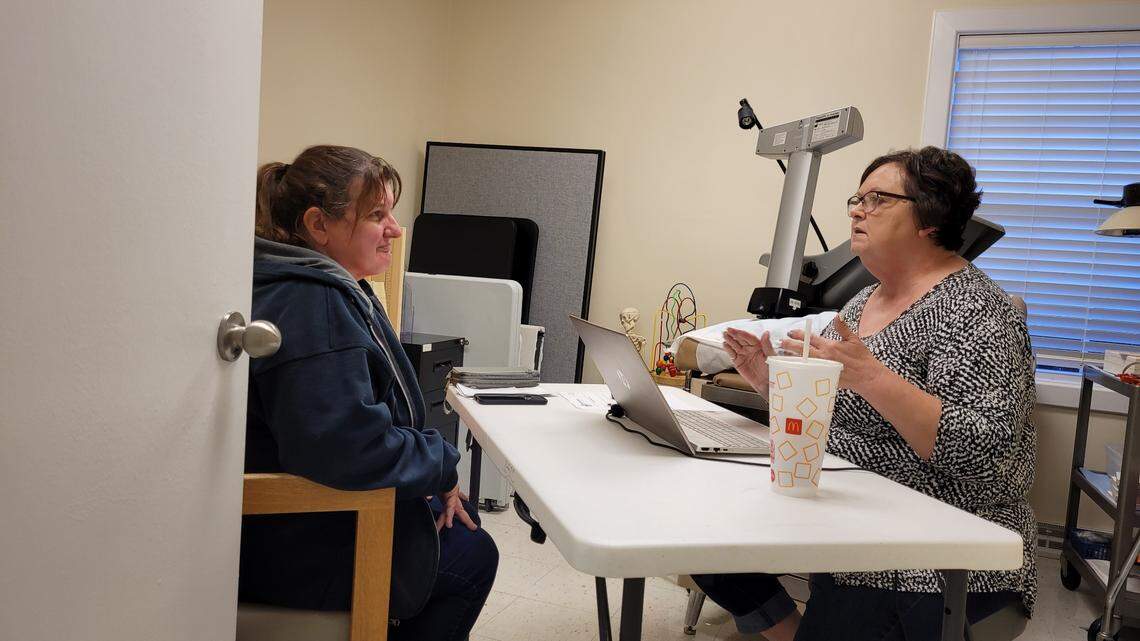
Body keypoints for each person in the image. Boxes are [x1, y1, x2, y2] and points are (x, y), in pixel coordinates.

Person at [694, 147, 1037, 641]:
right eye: (857, 197)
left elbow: (984, 455)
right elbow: (840, 414)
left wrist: (875, 378)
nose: (857, 209)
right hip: (852, 514)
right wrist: (769, 382)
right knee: (704, 529)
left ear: (930, 217)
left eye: (878, 199)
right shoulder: (864, 301)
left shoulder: (977, 310)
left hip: (934, 543)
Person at [239, 144, 498, 641]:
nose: (395, 230)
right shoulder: (313, 302)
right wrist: (441, 463)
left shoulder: (298, 281)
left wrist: (428, 469)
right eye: (377, 214)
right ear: (319, 226)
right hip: (300, 547)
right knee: (472, 554)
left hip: (285, 531)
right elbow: (350, 447)